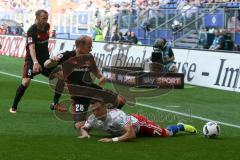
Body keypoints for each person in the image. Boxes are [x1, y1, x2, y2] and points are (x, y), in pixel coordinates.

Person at [44, 35, 126, 127]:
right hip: (78, 96)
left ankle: (109, 119)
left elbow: (95, 70)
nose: (91, 49)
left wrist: (101, 77)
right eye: (89, 46)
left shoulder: (89, 57)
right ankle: (94, 117)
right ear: (80, 45)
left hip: (92, 89)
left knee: (121, 100)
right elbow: (46, 64)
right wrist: (52, 60)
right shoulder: (67, 55)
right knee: (79, 125)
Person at [9, 9, 65, 114]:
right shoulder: (31, 31)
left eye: (46, 18)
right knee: (25, 82)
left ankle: (55, 104)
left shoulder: (47, 26)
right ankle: (14, 106)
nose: (45, 20)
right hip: (32, 60)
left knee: (62, 77)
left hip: (45, 61)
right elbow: (32, 48)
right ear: (37, 18)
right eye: (43, 18)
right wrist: (35, 62)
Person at [78, 99, 197, 142]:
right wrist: (84, 134)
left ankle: (180, 126)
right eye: (93, 110)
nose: (95, 112)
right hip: (127, 129)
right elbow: (84, 127)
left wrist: (112, 140)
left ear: (104, 106)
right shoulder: (93, 118)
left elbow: (131, 135)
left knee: (166, 133)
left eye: (97, 109)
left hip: (139, 124)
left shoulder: (117, 116)